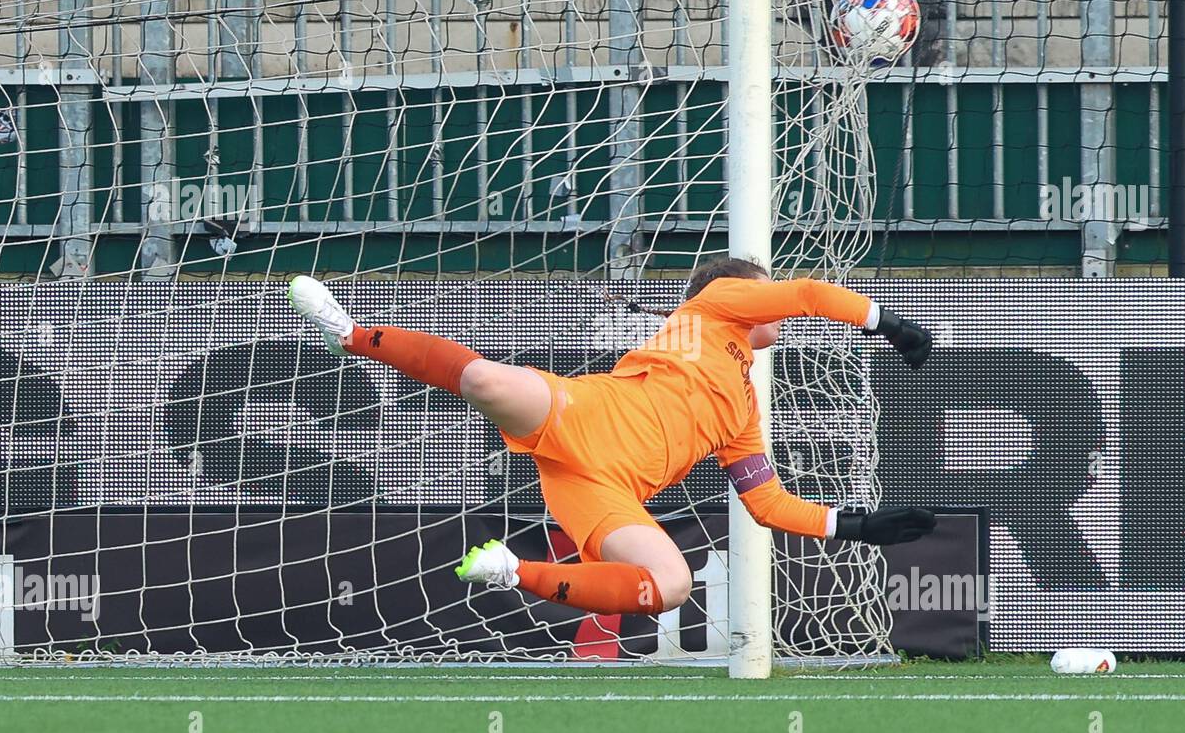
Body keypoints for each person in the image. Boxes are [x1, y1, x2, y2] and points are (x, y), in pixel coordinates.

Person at [288, 259, 937, 617]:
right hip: (585, 413)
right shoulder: (713, 308)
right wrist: (890, 323)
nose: (770, 306)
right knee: (485, 380)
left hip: (603, 489)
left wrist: (856, 527)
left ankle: (515, 572)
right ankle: (348, 334)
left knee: (672, 584)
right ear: (736, 290)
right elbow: (806, 293)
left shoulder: (741, 410)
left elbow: (767, 505)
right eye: (758, 292)